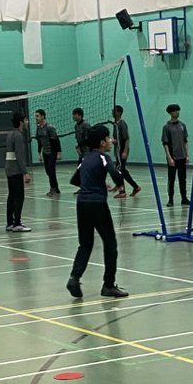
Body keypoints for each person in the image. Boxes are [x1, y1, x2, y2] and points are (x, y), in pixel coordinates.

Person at [66, 123, 129, 300]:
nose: (111, 141)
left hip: (82, 204)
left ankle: (74, 278)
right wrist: (118, 185)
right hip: (97, 204)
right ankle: (108, 285)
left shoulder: (85, 158)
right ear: (102, 142)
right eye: (109, 138)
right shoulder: (104, 157)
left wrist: (95, 184)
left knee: (85, 244)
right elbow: (116, 174)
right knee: (110, 243)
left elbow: (75, 179)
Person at [2, 112, 32, 232]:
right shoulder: (18, 136)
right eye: (26, 120)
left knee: (12, 196)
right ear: (21, 122)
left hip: (9, 168)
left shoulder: (10, 134)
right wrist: (25, 172)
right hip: (15, 170)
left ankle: (10, 223)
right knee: (19, 196)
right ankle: (17, 224)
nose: (27, 122)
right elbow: (19, 156)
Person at [162, 104, 190, 206]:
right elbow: (165, 143)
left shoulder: (182, 125)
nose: (177, 112)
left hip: (182, 157)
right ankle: (170, 199)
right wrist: (169, 157)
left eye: (178, 110)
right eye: (175, 111)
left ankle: (184, 198)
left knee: (183, 179)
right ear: (170, 113)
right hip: (173, 157)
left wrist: (187, 155)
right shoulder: (166, 127)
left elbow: (185, 141)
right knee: (171, 179)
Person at [112, 105, 140, 197]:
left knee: (119, 170)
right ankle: (134, 187)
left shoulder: (122, 123)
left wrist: (125, 151)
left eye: (114, 111)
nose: (112, 112)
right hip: (117, 150)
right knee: (121, 169)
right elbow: (118, 138)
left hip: (122, 150)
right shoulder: (115, 124)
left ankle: (122, 191)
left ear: (119, 112)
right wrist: (114, 141)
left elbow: (126, 138)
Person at [35, 108, 61, 196]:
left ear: (43, 116)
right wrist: (39, 153)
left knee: (51, 170)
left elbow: (56, 141)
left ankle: (52, 189)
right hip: (45, 153)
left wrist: (58, 153)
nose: (36, 118)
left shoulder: (50, 127)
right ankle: (56, 188)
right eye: (35, 116)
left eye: (37, 116)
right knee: (48, 171)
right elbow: (39, 141)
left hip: (52, 152)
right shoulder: (38, 128)